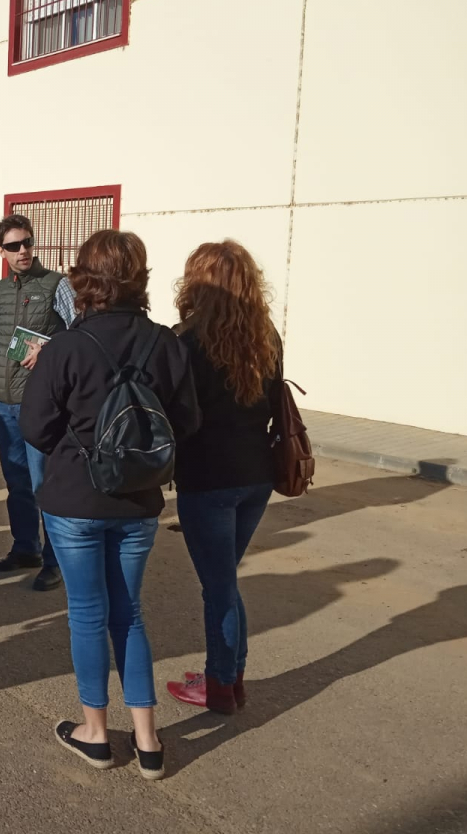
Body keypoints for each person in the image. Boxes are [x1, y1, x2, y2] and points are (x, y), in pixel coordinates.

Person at [20, 229, 200, 781]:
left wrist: (78, 444)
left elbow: (34, 427)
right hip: (138, 501)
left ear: (83, 279)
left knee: (87, 613)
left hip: (75, 498)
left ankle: (96, 733)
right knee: (130, 613)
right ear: (139, 278)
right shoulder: (165, 343)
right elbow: (187, 422)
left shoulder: (66, 347)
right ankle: (147, 740)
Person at [164, 241, 280, 715]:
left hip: (208, 477)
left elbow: (177, 415)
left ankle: (218, 687)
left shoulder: (187, 341)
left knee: (218, 589)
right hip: (257, 474)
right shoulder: (267, 336)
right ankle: (232, 678)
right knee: (224, 582)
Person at [0, 214, 77, 592]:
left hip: (41, 402)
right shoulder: (1, 289)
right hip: (4, 400)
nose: (23, 250)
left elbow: (79, 333)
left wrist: (48, 348)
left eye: (27, 242)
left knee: (45, 485)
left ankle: (55, 561)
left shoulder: (57, 284)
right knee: (17, 482)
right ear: (1, 251)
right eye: (13, 245)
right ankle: (26, 548)